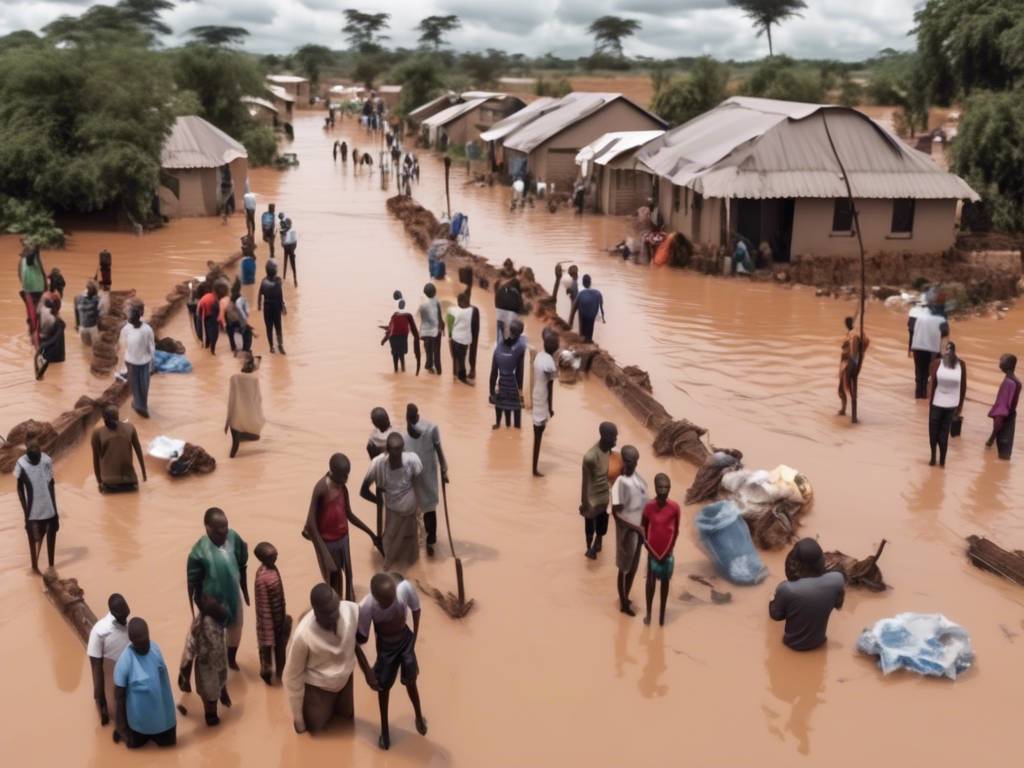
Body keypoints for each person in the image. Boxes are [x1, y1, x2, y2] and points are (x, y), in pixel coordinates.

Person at [284, 583, 377, 734]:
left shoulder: (350, 610)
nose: (336, 616)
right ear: (316, 613)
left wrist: (367, 670)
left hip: (345, 682)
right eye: (330, 614)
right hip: (318, 690)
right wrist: (298, 719)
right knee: (317, 735)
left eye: (337, 609)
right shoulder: (302, 636)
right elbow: (291, 678)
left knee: (347, 725)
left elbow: (353, 642)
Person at [357, 573, 427, 750]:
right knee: (383, 688)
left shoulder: (404, 590)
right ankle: (385, 730)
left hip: (405, 641)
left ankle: (418, 715)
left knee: (411, 681)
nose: (389, 604)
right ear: (375, 597)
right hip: (386, 650)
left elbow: (417, 610)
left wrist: (413, 642)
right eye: (385, 602)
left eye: (391, 599)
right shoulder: (367, 605)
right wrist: (367, 670)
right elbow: (362, 638)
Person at [305, 453, 381, 601]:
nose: (345, 479)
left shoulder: (342, 488)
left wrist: (370, 533)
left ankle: (350, 605)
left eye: (347, 475)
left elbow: (349, 515)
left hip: (343, 540)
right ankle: (335, 610)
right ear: (332, 471)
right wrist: (325, 554)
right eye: (342, 476)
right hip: (327, 544)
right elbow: (311, 524)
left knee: (349, 577)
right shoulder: (321, 488)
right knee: (334, 581)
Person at [186, 508, 249, 670]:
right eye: (218, 532)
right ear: (207, 528)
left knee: (236, 630)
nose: (223, 535)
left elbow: (242, 564)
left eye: (225, 529)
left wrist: (245, 591)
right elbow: (193, 585)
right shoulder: (198, 552)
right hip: (212, 603)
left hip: (234, 597)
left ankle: (231, 660)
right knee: (205, 638)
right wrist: (202, 608)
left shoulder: (234, 537)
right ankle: (188, 671)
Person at [360, 433, 423, 570]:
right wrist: (378, 501)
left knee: (402, 541)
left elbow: (418, 482)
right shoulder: (378, 463)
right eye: (394, 457)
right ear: (387, 450)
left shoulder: (411, 460)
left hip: (408, 507)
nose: (397, 461)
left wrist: (419, 506)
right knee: (392, 541)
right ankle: (399, 568)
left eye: (398, 455)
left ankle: (403, 568)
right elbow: (363, 491)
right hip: (395, 510)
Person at [769, 538, 845, 651]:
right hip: (820, 644)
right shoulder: (837, 579)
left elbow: (776, 616)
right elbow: (838, 605)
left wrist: (773, 597)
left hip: (792, 647)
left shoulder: (787, 588)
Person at [113, 618, 176, 748]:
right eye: (140, 643)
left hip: (165, 722)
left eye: (146, 641)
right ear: (131, 641)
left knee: (171, 754)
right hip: (139, 727)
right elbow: (119, 698)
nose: (145, 646)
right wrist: (121, 727)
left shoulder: (156, 649)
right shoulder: (125, 662)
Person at [178, 594, 231, 727]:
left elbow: (189, 649)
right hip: (206, 666)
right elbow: (189, 649)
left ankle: (216, 704)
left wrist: (185, 671)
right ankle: (210, 715)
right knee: (210, 696)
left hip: (218, 662)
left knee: (217, 687)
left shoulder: (216, 618)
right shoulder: (200, 623)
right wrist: (185, 673)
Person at [403, 403, 448, 557]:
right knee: (424, 509)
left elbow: (438, 450)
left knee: (423, 509)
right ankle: (425, 541)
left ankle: (425, 541)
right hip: (419, 476)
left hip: (420, 476)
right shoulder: (411, 432)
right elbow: (438, 450)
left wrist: (443, 469)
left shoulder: (426, 429)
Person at [611, 446, 648, 616]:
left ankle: (626, 596)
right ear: (624, 461)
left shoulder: (638, 479)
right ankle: (623, 604)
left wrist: (644, 527)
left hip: (639, 530)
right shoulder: (619, 483)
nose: (634, 464)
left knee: (633, 567)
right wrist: (636, 528)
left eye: (636, 461)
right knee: (623, 568)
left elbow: (642, 504)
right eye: (631, 461)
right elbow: (616, 514)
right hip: (626, 532)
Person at [641, 473, 680, 627]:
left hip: (667, 552)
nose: (663, 490)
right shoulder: (648, 506)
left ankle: (662, 615)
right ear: (655, 487)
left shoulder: (675, 507)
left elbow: (675, 532)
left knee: (665, 583)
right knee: (650, 583)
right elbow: (643, 529)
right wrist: (649, 549)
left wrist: (666, 552)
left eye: (666, 487)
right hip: (652, 551)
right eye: (660, 487)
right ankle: (649, 614)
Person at [15, 441, 58, 572]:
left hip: (48, 507)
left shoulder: (45, 462)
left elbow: (51, 486)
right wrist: (25, 511)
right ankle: (34, 566)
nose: (37, 460)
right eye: (34, 459)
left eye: (39, 458)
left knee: (51, 533)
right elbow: (20, 489)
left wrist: (55, 511)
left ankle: (51, 565)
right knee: (33, 537)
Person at [88, 594, 131, 727]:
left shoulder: (128, 625)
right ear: (113, 614)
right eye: (122, 617)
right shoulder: (100, 631)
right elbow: (96, 667)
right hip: (111, 669)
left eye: (127, 615)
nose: (125, 619)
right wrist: (101, 701)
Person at [253, 542, 291, 685]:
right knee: (266, 653)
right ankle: (268, 680)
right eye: (272, 556)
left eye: (276, 554)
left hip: (279, 618)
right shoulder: (261, 577)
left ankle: (281, 676)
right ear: (263, 558)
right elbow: (263, 606)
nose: (276, 557)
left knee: (281, 651)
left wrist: (282, 618)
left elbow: (281, 594)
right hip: (267, 623)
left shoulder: (274, 569)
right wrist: (269, 632)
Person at [580, 422, 618, 560]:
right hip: (592, 499)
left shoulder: (611, 452)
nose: (616, 440)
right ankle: (589, 547)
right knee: (589, 528)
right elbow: (585, 483)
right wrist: (585, 504)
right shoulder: (590, 457)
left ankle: (598, 541)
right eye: (613, 437)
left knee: (602, 527)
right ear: (604, 436)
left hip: (605, 496)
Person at [928, 340, 967, 468]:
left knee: (943, 434)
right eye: (947, 349)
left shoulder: (961, 365)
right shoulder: (937, 363)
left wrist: (960, 407)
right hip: (937, 403)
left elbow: (963, 387)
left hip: (951, 405)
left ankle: (942, 460)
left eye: (951, 349)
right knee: (933, 432)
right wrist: (930, 402)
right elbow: (932, 383)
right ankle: (933, 457)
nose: (949, 352)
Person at [91, 406, 147, 493]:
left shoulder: (97, 433)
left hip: (109, 484)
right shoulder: (130, 428)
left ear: (103, 418)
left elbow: (96, 460)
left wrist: (99, 482)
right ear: (118, 416)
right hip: (130, 483)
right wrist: (144, 475)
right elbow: (139, 452)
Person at [225, 352, 265, 458]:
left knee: (234, 450)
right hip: (247, 418)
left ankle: (231, 469)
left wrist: (227, 422)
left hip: (235, 419)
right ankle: (242, 436)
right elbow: (258, 400)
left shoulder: (234, 378)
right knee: (256, 437)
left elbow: (231, 401)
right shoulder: (255, 380)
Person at [119, 301, 155, 417]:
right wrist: (122, 367)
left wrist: (152, 363)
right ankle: (139, 406)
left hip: (144, 362)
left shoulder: (147, 330)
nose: (130, 321)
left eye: (132, 318)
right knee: (135, 385)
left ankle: (141, 405)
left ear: (138, 317)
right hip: (131, 362)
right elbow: (122, 346)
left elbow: (152, 347)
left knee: (144, 385)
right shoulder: (126, 329)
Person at [490, 318, 526, 429]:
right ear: (520, 333)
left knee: (500, 405)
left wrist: (491, 392)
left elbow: (493, 373)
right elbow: (520, 372)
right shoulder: (520, 347)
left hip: (501, 384)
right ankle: (515, 430)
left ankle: (497, 424)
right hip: (513, 386)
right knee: (516, 415)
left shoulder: (498, 347)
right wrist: (520, 390)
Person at [909, 300, 949, 399]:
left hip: (917, 348)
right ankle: (926, 396)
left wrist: (910, 348)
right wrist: (944, 353)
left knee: (919, 372)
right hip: (931, 349)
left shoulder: (919, 317)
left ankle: (918, 395)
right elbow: (944, 335)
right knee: (929, 372)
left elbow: (911, 331)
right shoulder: (940, 319)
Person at [987, 354, 1022, 460]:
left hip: (1004, 421)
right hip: (1010, 418)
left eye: (1002, 360)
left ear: (1008, 364)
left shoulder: (1009, 383)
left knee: (1003, 454)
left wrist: (992, 437)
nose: (1000, 361)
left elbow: (1002, 411)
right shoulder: (1016, 382)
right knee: (1004, 455)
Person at [837, 316, 869, 423]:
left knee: (847, 389)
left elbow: (854, 354)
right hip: (848, 364)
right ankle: (844, 410)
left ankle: (851, 414)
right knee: (844, 389)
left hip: (849, 365)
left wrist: (852, 367)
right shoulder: (852, 334)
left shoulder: (854, 336)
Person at [381, 296, 420, 374]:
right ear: (404, 306)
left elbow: (390, 329)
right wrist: (418, 337)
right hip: (403, 336)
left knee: (395, 354)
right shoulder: (408, 315)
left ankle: (396, 371)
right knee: (401, 354)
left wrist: (384, 340)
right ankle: (403, 370)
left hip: (394, 337)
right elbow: (413, 328)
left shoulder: (394, 315)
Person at [17, 245, 46, 340]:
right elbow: (30, 259)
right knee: (36, 312)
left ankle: (33, 331)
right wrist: (36, 247)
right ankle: (35, 332)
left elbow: (19, 275)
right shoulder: (30, 258)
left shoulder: (22, 261)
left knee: (32, 312)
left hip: (28, 289)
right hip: (35, 289)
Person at [34, 296, 65, 380]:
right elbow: (55, 338)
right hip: (54, 354)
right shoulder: (58, 321)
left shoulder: (43, 313)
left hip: (47, 349)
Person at [258, 260, 286, 354]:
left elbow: (259, 294)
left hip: (266, 308)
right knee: (278, 327)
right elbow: (280, 295)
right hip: (276, 307)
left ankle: (271, 347)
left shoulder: (263, 281)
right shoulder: (278, 281)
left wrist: (259, 306)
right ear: (274, 271)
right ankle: (280, 346)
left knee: (268, 328)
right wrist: (283, 307)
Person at [447, 292, 474, 383]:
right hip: (464, 340)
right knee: (462, 359)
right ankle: (462, 378)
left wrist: (450, 338)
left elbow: (449, 326)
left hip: (454, 339)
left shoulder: (451, 310)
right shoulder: (470, 311)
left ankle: (455, 376)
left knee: (455, 358)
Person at [569, 274, 605, 343]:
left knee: (580, 310)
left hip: (583, 316)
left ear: (582, 283)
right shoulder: (598, 293)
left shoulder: (581, 294)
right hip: (592, 316)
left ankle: (582, 337)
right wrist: (603, 318)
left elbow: (573, 310)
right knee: (590, 327)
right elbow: (601, 306)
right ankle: (589, 339)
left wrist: (569, 325)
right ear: (590, 282)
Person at [418, 284, 444, 375]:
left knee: (428, 349)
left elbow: (422, 318)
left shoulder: (423, 304)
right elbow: (440, 316)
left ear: (425, 293)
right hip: (436, 331)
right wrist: (442, 328)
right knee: (437, 351)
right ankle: (438, 369)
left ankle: (429, 365)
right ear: (435, 292)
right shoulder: (436, 302)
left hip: (426, 331)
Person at [494, 259, 522, 340]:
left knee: (500, 327)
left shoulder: (498, 281)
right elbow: (519, 295)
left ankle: (500, 343)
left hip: (500, 307)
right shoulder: (516, 280)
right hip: (511, 308)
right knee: (511, 329)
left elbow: (496, 294)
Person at [75, 280, 101, 346]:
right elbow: (99, 313)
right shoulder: (97, 300)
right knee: (96, 345)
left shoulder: (78, 298)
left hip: (82, 327)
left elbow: (77, 313)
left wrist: (77, 325)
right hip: (92, 327)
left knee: (85, 345)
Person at [281, 218, 298, 287]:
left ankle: (293, 278)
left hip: (288, 249)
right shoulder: (291, 232)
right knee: (292, 265)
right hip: (290, 249)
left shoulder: (284, 232)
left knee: (290, 264)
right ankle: (294, 279)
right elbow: (295, 243)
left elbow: (282, 243)